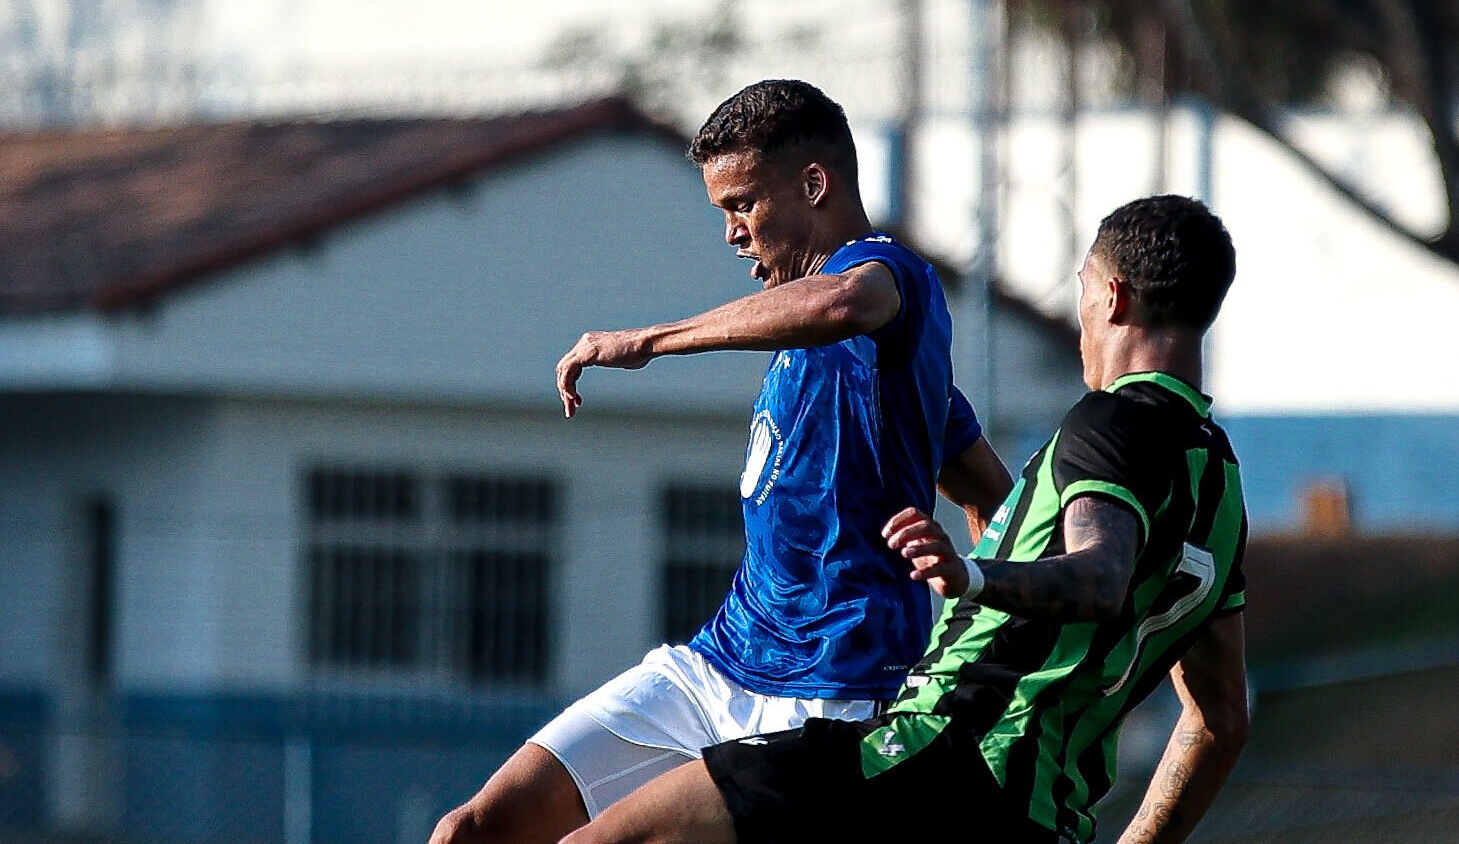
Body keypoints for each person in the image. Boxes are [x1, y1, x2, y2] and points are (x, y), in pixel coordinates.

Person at [560, 194, 1250, 844]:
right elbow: (1217, 719)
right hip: (1040, 814)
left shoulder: (1110, 421)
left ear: (1111, 296)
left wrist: (970, 574)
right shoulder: (1220, 485)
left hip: (946, 755)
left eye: (1080, 289)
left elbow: (1098, 579)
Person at [428, 80, 1012, 844]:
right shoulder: (882, 366)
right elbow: (994, 501)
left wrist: (648, 339)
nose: (733, 233)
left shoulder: (887, 278)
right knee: (472, 829)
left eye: (742, 204)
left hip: (832, 689)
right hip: (720, 660)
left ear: (812, 184)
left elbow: (844, 303)